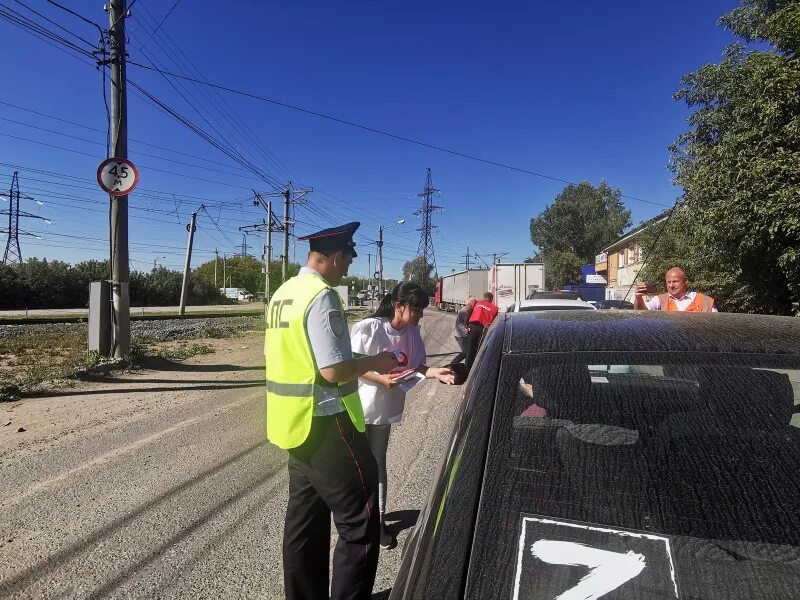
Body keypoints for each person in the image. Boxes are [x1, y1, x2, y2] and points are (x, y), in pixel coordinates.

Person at [264, 221, 400, 600]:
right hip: (325, 424)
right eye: (348, 261)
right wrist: (373, 361)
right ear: (336, 256)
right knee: (361, 523)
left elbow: (309, 357)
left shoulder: (284, 293)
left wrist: (365, 361)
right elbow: (332, 370)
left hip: (293, 425)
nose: (348, 270)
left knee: (303, 524)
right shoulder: (322, 296)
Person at [350, 282, 456, 550]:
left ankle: (379, 522)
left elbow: (416, 365)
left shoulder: (411, 332)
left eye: (422, 311)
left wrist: (435, 373)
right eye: (416, 310)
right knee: (355, 468)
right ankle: (355, 522)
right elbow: (350, 366)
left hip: (384, 412)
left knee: (378, 465)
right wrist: (380, 378)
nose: (419, 316)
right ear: (398, 307)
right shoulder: (368, 329)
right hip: (359, 408)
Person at [634, 267, 717, 312]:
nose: (671, 285)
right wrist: (638, 298)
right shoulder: (659, 300)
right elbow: (642, 313)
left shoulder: (705, 301)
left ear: (686, 281)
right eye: (668, 282)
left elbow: (716, 326)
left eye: (675, 281)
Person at [464, 292, 499, 373]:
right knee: (480, 349)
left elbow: (468, 311)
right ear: (491, 299)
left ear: (484, 297)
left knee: (470, 348)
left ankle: (467, 370)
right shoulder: (494, 308)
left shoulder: (477, 302)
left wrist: (466, 324)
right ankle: (477, 370)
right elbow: (494, 322)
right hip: (484, 329)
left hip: (472, 327)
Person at [453, 297, 476, 363]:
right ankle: (453, 363)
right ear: (469, 304)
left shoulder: (467, 310)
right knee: (466, 352)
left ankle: (467, 366)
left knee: (468, 352)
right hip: (461, 335)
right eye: (473, 304)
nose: (474, 306)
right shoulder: (465, 311)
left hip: (464, 334)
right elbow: (466, 323)